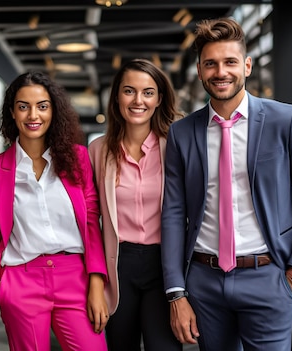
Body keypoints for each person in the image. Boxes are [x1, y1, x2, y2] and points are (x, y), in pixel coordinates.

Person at [160, 17, 292, 351]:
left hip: (269, 277)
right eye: (210, 64)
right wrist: (176, 293)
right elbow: (172, 213)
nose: (220, 72)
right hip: (204, 281)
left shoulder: (286, 120)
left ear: (247, 65)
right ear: (199, 70)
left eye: (230, 62)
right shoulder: (183, 134)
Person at [0, 71, 109, 351]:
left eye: (42, 106)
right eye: (23, 106)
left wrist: (96, 282)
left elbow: (92, 225)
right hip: (21, 280)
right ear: (12, 112)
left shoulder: (78, 159)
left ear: (53, 111)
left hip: (76, 277)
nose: (33, 115)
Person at [88, 58, 183, 351]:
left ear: (159, 99)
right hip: (118, 265)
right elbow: (89, 219)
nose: (138, 100)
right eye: (129, 91)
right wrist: (94, 282)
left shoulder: (176, 147)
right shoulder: (98, 150)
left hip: (165, 264)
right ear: (116, 97)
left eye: (148, 92)